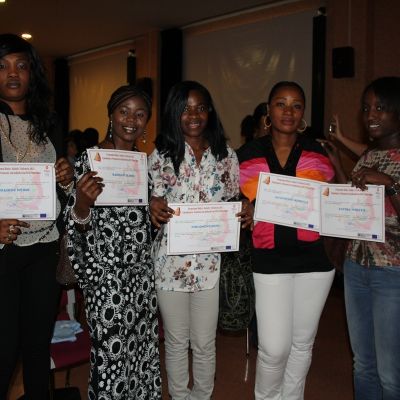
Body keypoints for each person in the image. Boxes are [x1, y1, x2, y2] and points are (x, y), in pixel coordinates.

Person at [238, 81, 335, 400]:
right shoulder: (246, 155)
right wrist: (243, 208)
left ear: (303, 112)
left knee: (302, 345)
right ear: (268, 110)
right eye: (281, 103)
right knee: (274, 347)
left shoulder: (316, 152)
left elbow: (336, 200)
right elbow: (231, 201)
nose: (288, 111)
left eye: (296, 105)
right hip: (269, 260)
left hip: (315, 263)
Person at [65, 85, 161, 399]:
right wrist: (81, 204)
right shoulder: (88, 161)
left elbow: (146, 228)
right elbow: (73, 224)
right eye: (124, 111)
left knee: (141, 354)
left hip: (141, 280)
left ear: (147, 121)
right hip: (105, 279)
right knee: (110, 356)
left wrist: (157, 215)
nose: (131, 120)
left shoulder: (145, 166)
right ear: (110, 114)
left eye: (140, 113)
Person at [148, 80, 240, 400]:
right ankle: (179, 396)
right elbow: (150, 203)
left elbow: (232, 203)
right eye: (185, 108)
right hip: (169, 265)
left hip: (208, 265)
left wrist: (244, 210)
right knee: (175, 341)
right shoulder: (160, 156)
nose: (194, 115)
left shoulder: (226, 156)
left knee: (204, 342)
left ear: (210, 111)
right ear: (175, 113)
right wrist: (151, 204)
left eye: (200, 107)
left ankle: (202, 396)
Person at [0, 33, 74, 399]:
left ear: (33, 73)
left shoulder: (51, 122)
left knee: (36, 347)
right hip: (4, 251)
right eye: (1, 66)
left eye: (21, 65)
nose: (12, 74)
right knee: (3, 349)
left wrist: (65, 175)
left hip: (44, 248)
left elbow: (62, 188)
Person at [325, 77, 400, 400]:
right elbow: (356, 207)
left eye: (381, 108)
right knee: (362, 364)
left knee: (390, 373)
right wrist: (337, 166)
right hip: (356, 267)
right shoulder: (369, 156)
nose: (371, 114)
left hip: (391, 274)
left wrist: (390, 184)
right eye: (367, 107)